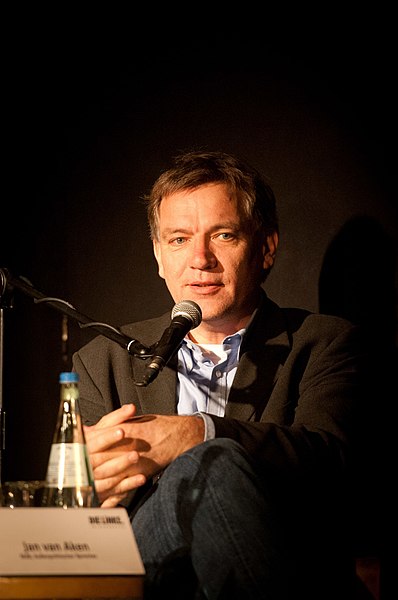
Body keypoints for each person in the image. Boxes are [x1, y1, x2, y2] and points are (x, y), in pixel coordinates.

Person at [72, 150, 372, 599]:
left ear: (266, 247)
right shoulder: (103, 360)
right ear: (158, 255)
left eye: (224, 235)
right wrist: (85, 493)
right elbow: (80, 528)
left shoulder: (325, 342)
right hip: (146, 575)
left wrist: (199, 432)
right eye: (178, 239)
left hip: (282, 566)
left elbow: (334, 466)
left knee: (210, 462)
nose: (200, 259)